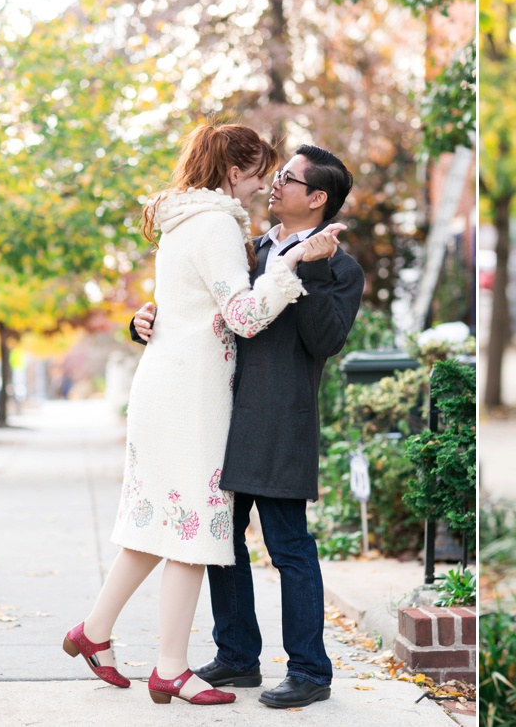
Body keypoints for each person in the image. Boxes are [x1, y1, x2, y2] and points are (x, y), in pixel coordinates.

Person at [63, 124, 343, 706]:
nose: (267, 185)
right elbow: (236, 315)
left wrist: (152, 317)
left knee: (168, 528)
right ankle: (179, 666)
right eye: (264, 172)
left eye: (282, 177)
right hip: (197, 399)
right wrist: (287, 271)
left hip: (209, 400)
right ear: (235, 172)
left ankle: (93, 633)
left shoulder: (190, 221)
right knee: (200, 531)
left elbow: (202, 308)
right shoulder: (225, 229)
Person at [132, 144, 364, 709]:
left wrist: (305, 266)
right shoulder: (246, 247)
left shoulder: (340, 266)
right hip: (217, 417)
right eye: (275, 175)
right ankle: (237, 656)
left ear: (317, 199)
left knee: (289, 547)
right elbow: (205, 307)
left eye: (287, 178)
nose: (274, 184)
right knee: (222, 543)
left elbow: (326, 341)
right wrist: (144, 321)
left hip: (279, 422)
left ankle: (310, 670)